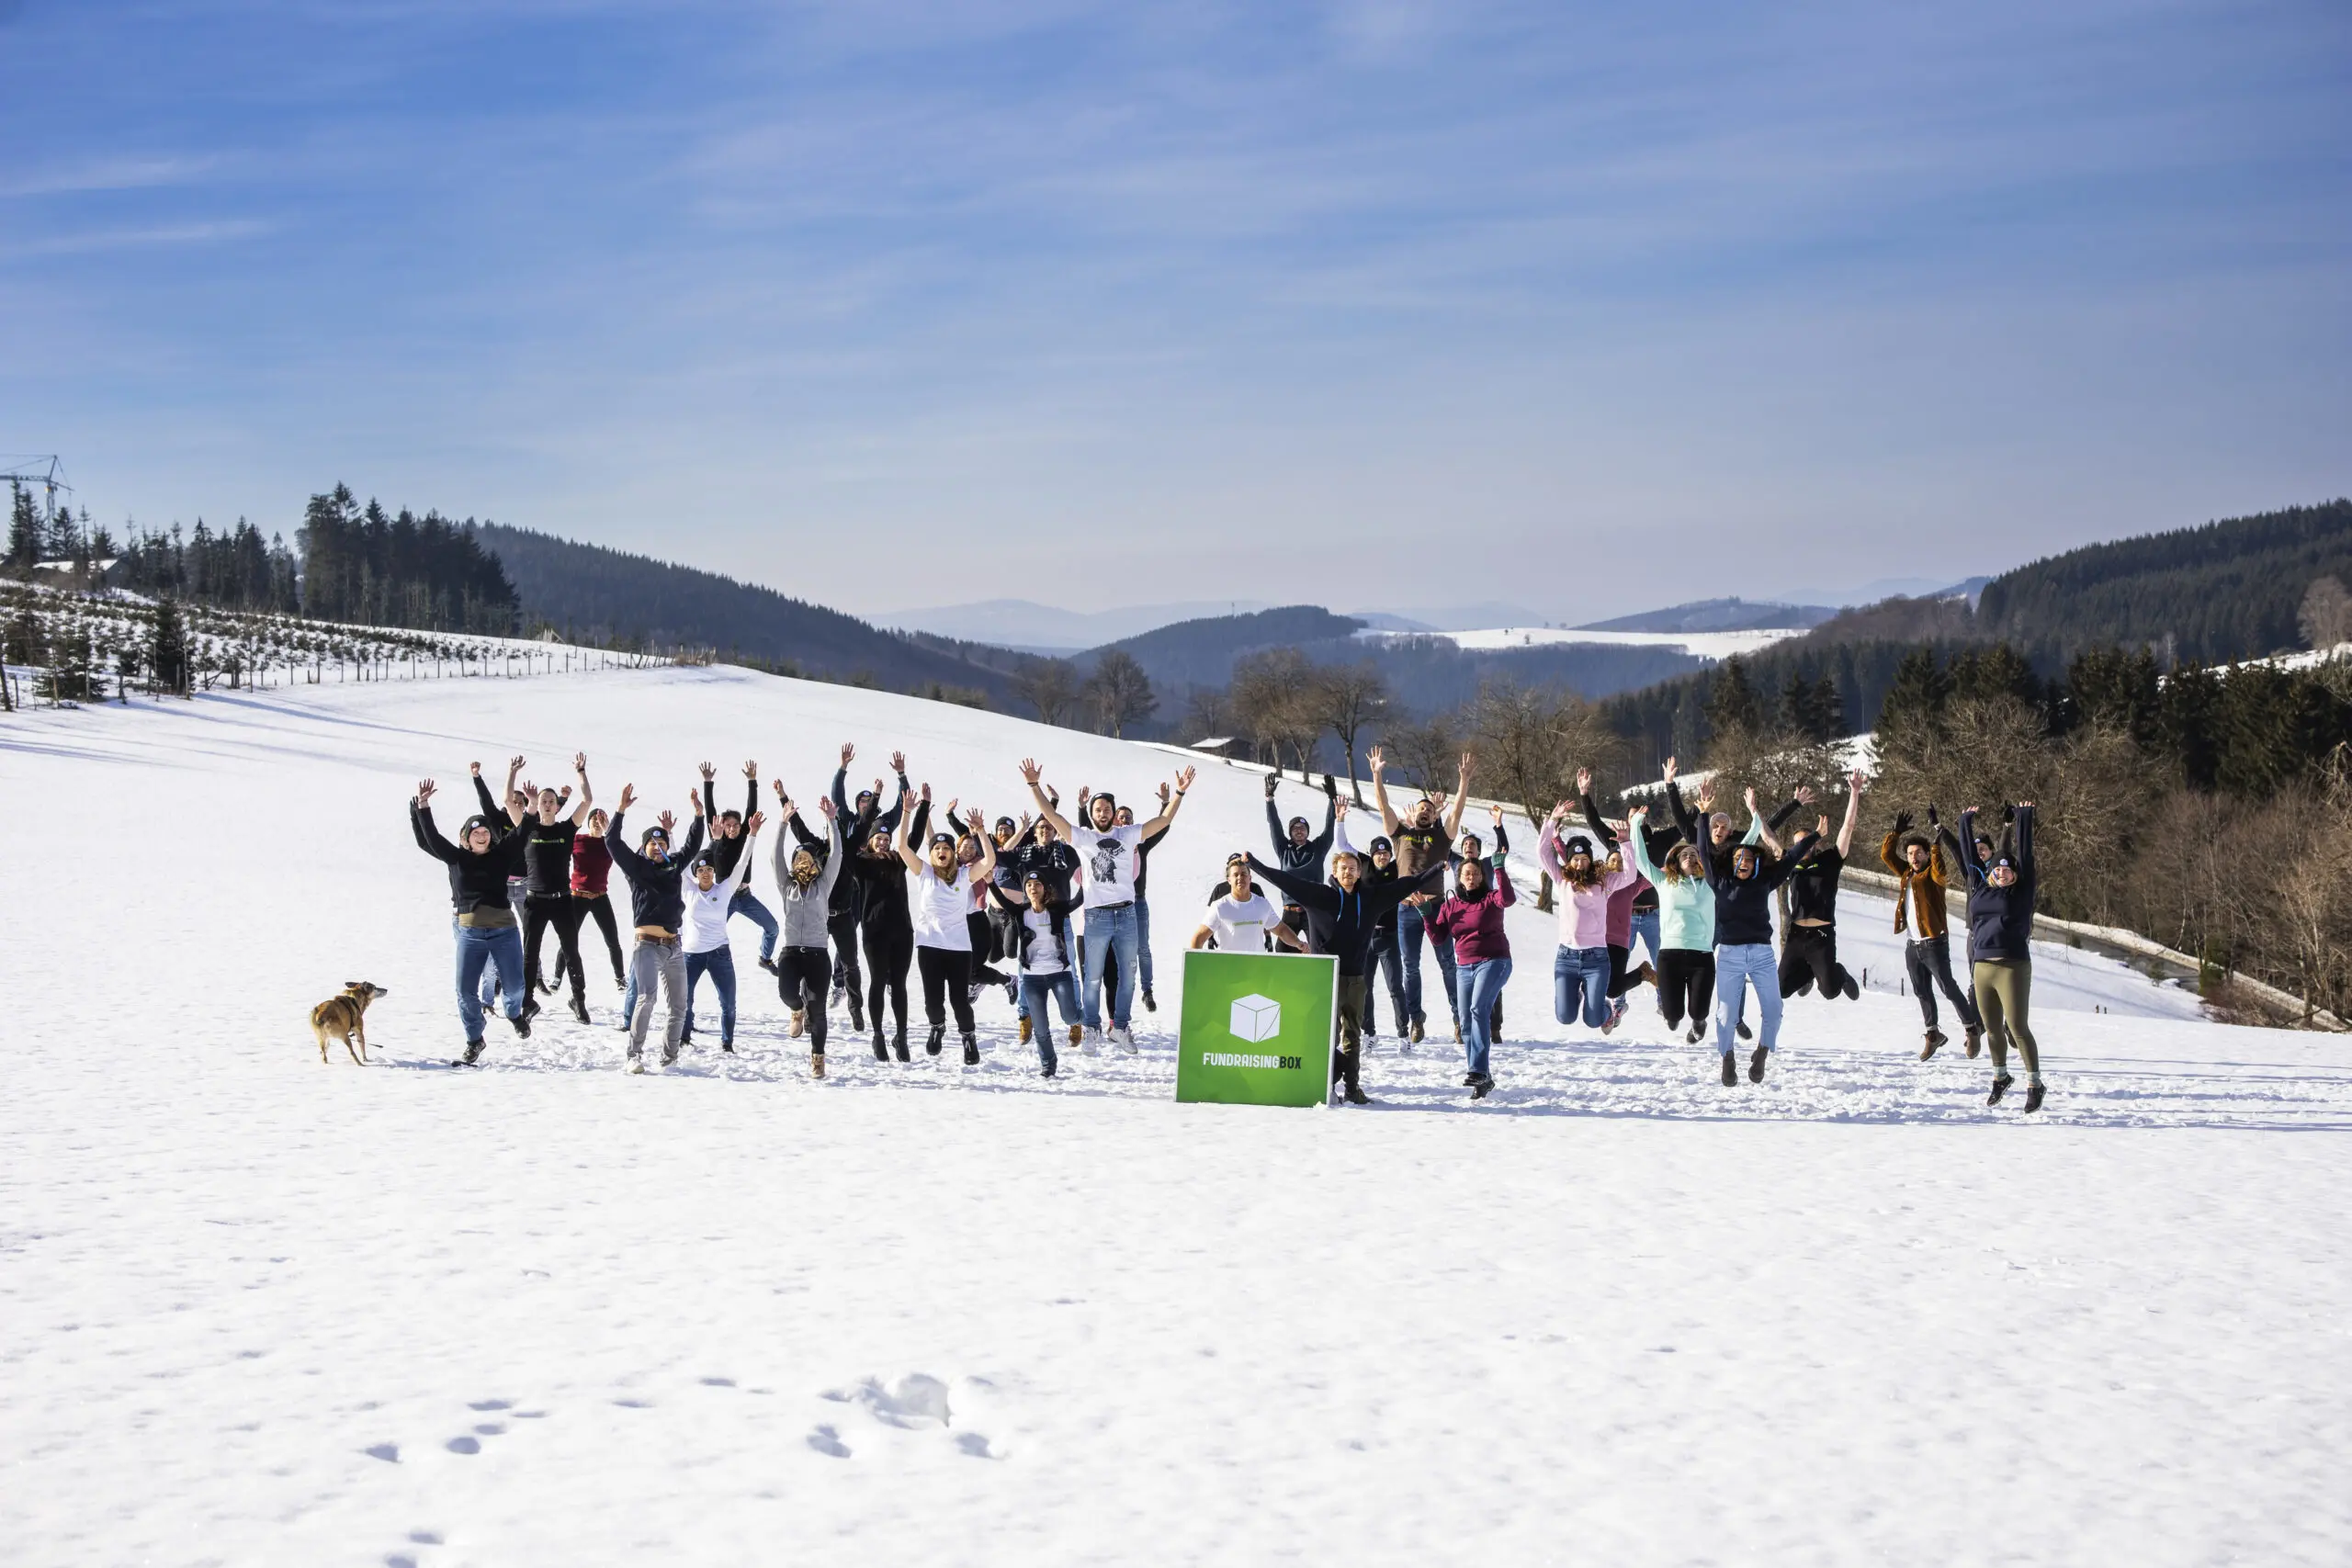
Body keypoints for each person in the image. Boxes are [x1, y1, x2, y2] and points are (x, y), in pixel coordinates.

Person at [1246, 843, 1444, 1104]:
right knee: (1326, 1035)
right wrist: (1254, 864)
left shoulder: (1371, 898)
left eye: (1353, 868)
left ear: (1359, 872)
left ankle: (1352, 1088)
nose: (1348, 872)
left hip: (1356, 980)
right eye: (1343, 868)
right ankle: (1326, 1084)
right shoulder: (1319, 895)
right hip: (1325, 978)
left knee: (1353, 1036)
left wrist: (1436, 869)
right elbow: (1284, 880)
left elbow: (1405, 885)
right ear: (1335, 872)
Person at [1023, 758, 1196, 1052]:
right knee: (1092, 977)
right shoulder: (1083, 838)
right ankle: (1091, 1027)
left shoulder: (1127, 835)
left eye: (1107, 809)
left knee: (1128, 976)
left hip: (1127, 914)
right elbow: (1051, 816)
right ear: (1092, 814)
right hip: (1097, 917)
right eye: (1098, 809)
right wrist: (1033, 785)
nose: (1102, 813)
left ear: (1114, 814)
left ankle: (1120, 1027)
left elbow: (1163, 821)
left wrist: (1178, 793)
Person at [1689, 789, 1817, 1087]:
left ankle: (1762, 1052)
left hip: (1762, 955)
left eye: (1748, 858)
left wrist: (1815, 836)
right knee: (1725, 1014)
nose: (1743, 861)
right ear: (1732, 862)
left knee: (1774, 1010)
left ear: (1755, 862)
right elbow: (1703, 851)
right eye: (1738, 858)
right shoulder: (1720, 881)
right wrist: (1703, 814)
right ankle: (1727, 1057)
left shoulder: (1764, 881)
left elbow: (1790, 858)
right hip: (1730, 954)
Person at [410, 775, 536, 1065]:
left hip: (504, 932)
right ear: (466, 837)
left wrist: (530, 807)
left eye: (485, 832)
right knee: (465, 991)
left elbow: (522, 833)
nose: (482, 835)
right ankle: (474, 1038)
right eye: (476, 832)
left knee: (515, 986)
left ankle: (514, 1013)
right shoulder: (456, 858)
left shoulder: (502, 855)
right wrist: (423, 806)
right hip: (470, 934)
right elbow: (431, 839)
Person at [1369, 747, 1473, 1043]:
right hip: (1406, 910)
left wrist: (1464, 780)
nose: (1425, 811)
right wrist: (1377, 776)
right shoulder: (1400, 835)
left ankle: (1459, 1019)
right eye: (1421, 808)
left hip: (1437, 909)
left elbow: (1457, 812)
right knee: (1410, 968)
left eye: (1429, 809)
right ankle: (1416, 1019)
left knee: (1448, 964)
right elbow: (1383, 807)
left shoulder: (1442, 837)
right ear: (1413, 814)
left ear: (1434, 815)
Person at [604, 784, 706, 1072]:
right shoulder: (637, 868)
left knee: (679, 1007)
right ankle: (634, 1055)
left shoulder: (673, 866)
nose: (658, 848)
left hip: (674, 947)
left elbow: (692, 846)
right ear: (645, 847)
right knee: (647, 997)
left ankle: (669, 1058)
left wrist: (699, 816)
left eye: (662, 844)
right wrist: (620, 810)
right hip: (647, 944)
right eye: (652, 844)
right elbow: (612, 842)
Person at [896, 786, 998, 1066]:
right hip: (929, 945)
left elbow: (990, 860)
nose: (941, 851)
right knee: (933, 1002)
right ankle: (937, 1027)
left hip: (958, 948)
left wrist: (980, 831)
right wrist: (906, 812)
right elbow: (903, 847)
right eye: (937, 848)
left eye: (946, 848)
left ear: (953, 853)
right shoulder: (925, 873)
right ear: (932, 854)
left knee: (959, 1001)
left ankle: (968, 1038)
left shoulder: (965, 875)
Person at [1955, 804, 2047, 1112]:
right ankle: (2000, 1077)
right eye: (1997, 869)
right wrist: (1964, 823)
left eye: (2007, 869)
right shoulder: (1979, 887)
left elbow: (2027, 855)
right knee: (1992, 1028)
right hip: (1982, 966)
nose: (2002, 873)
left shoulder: (2022, 891)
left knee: (2017, 1027)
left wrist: (2024, 819)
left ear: (2015, 873)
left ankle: (2035, 1083)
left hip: (2012, 966)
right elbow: (1969, 857)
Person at [1883, 805, 1984, 1059]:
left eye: (1919, 852)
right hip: (1913, 945)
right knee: (1921, 991)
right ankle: (1933, 1034)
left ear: (1927, 855)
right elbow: (1886, 855)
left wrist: (1937, 849)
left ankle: (1972, 1029)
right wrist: (1895, 833)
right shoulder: (1906, 873)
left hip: (1934, 943)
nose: (1913, 857)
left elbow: (1941, 871)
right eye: (1910, 853)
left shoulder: (1933, 877)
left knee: (1948, 987)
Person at [1537, 804, 1641, 1032]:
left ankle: (1606, 1009)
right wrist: (1552, 820)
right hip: (1566, 957)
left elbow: (1630, 875)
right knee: (1565, 1017)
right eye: (1575, 859)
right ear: (1569, 861)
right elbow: (1543, 852)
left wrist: (1625, 843)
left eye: (1584, 859)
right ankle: (1573, 994)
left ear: (1590, 861)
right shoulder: (1562, 879)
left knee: (1594, 1020)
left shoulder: (1603, 883)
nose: (1580, 863)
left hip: (1596, 959)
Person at [1423, 854, 1515, 1100]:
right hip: (1464, 967)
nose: (1471, 878)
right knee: (1465, 1022)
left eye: (1475, 873)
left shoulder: (1491, 898)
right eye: (1467, 874)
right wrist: (1425, 913)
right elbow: (1438, 938)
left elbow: (1508, 899)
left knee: (1478, 1009)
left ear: (1482, 877)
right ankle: (1482, 1078)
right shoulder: (1451, 905)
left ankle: (1478, 1071)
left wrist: (1499, 869)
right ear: (1459, 878)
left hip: (1494, 961)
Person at [828, 744, 910, 1018]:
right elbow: (836, 796)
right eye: (861, 802)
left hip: (877, 891)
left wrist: (901, 776)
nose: (865, 805)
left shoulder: (883, 823)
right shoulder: (849, 820)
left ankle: (889, 979)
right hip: (850, 889)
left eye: (868, 801)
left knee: (881, 934)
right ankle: (840, 983)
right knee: (847, 936)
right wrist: (842, 768)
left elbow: (902, 806)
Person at [770, 789, 846, 1074]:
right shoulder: (786, 885)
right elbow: (775, 857)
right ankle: (795, 1009)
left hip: (817, 954)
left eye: (808, 859)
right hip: (791, 952)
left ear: (816, 864)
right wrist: (782, 823)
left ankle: (818, 1058)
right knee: (787, 993)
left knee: (818, 1009)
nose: (803, 864)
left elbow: (837, 854)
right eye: (798, 859)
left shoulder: (823, 885)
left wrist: (832, 821)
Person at [1625, 804, 1715, 1043]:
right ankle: (1673, 1015)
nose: (1690, 857)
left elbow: (1717, 852)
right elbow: (1641, 860)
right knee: (1673, 1016)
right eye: (1684, 854)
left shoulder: (1710, 884)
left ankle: (1699, 1022)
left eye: (1694, 855)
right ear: (1675, 861)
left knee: (1698, 1011)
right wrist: (1636, 823)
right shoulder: (1664, 881)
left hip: (1701, 956)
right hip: (1670, 956)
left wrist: (1703, 816)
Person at [680, 802, 764, 1056]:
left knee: (728, 1002)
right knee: (685, 1000)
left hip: (719, 953)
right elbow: (678, 861)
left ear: (714, 871)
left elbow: (743, 862)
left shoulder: (725, 889)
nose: (706, 873)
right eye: (701, 870)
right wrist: (673, 834)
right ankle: (684, 1038)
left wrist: (752, 834)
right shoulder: (688, 890)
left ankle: (727, 1043)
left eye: (709, 869)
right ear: (696, 873)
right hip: (691, 955)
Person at [1779, 770, 1868, 1007]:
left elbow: (1848, 827)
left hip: (1822, 935)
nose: (1801, 846)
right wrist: (1754, 812)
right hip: (1796, 936)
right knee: (1781, 990)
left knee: (1830, 992)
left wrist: (1855, 792)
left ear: (1815, 842)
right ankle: (1808, 973)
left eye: (1805, 842)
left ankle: (1839, 973)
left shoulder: (1830, 859)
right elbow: (1768, 838)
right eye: (1797, 844)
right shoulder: (1790, 864)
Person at [517, 753, 595, 1023]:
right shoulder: (528, 830)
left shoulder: (565, 829)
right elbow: (507, 802)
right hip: (534, 902)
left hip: (562, 901)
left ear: (557, 805)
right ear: (538, 805)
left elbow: (587, 801)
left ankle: (578, 1000)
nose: (548, 804)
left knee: (571, 951)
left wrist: (581, 772)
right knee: (530, 954)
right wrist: (516, 777)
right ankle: (527, 1001)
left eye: (551, 801)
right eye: (544, 801)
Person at [988, 871, 1086, 1077]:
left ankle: (1087, 1020)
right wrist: (990, 882)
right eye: (1029, 885)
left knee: (1069, 1017)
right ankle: (1048, 1064)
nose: (1033, 888)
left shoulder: (1057, 909)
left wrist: (1087, 881)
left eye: (1038, 884)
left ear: (1045, 888)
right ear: (1025, 890)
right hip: (1033, 978)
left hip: (1059, 973)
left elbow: (1078, 901)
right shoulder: (1020, 912)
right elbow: (1002, 901)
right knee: (1040, 1028)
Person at [847, 788, 917, 1062]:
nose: (884, 843)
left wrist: (917, 809)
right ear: (870, 841)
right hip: (875, 933)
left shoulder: (899, 860)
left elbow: (914, 838)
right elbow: (853, 842)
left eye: (887, 839)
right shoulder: (861, 863)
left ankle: (901, 1036)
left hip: (902, 932)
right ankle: (877, 1035)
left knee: (899, 984)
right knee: (878, 981)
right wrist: (873, 803)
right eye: (879, 838)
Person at [702, 761, 779, 975]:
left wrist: (752, 781)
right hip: (723, 896)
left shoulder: (745, 836)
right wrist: (708, 783)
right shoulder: (717, 838)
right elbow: (710, 811)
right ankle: (703, 960)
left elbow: (751, 810)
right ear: (722, 826)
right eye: (728, 825)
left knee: (772, 928)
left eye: (736, 825)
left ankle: (765, 958)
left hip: (745, 896)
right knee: (711, 931)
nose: (733, 828)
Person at [1263, 772, 1338, 939]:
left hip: (1313, 910)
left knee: (1319, 949)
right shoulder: (1284, 850)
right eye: (1295, 828)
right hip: (1289, 911)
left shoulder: (1317, 849)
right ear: (1290, 833)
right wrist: (1269, 799)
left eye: (1302, 828)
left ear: (1307, 832)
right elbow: (1274, 825)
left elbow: (1330, 828)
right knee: (1282, 949)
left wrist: (1332, 799)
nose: (1299, 830)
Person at [1192, 853, 1311, 954]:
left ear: (1250, 878)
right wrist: (1194, 967)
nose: (1240, 878)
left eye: (1243, 874)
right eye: (1235, 875)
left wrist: (1298, 943)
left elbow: (1281, 930)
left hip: (1256, 968)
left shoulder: (1262, 904)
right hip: (1228, 969)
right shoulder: (1219, 907)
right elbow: (1198, 938)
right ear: (1229, 880)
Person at [571, 807, 626, 989]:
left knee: (612, 939)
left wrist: (610, 830)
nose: (597, 821)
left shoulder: (610, 843)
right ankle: (557, 977)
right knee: (569, 938)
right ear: (588, 822)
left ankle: (620, 978)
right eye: (594, 818)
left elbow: (622, 853)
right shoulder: (577, 839)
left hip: (600, 896)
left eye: (601, 819)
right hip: (578, 896)